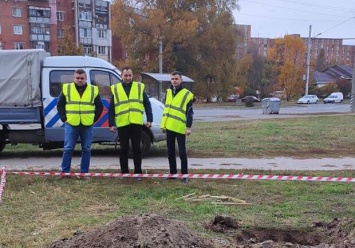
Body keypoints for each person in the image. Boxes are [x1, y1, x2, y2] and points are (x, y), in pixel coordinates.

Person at [57, 69, 103, 177]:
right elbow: (60, 105)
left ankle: (84, 173)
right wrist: (64, 118)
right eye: (77, 78)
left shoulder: (93, 90)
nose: (80, 80)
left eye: (82, 78)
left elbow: (100, 106)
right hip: (71, 123)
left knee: (86, 149)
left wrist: (94, 119)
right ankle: (64, 172)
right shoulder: (67, 88)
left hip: (87, 124)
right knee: (68, 148)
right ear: (74, 78)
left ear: (86, 78)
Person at [108, 66, 153, 177]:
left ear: (132, 76)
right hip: (122, 123)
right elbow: (112, 108)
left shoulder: (139, 87)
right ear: (121, 76)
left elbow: (147, 104)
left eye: (129, 75)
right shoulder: (116, 88)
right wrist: (111, 123)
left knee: (136, 148)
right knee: (124, 148)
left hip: (136, 122)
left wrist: (150, 119)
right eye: (125, 75)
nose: (128, 78)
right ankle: (124, 172)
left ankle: (138, 172)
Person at [160, 71, 194, 183]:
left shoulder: (187, 94)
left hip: (180, 127)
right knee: (170, 152)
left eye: (176, 79)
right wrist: (164, 124)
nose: (174, 81)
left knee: (182, 152)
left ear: (181, 80)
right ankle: (172, 173)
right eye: (173, 79)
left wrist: (188, 127)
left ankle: (184, 175)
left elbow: (189, 112)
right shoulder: (168, 92)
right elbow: (166, 109)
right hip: (169, 126)